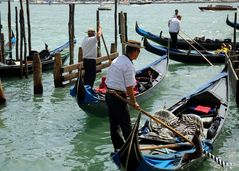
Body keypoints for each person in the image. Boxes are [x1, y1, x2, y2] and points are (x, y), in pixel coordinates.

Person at [105, 40, 143, 152]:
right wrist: (134, 102)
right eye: (139, 51)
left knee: (114, 125)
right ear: (134, 51)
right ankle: (132, 150)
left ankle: (119, 148)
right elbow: (129, 87)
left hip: (109, 94)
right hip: (117, 96)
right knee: (126, 125)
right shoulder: (128, 65)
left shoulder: (118, 59)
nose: (139, 53)